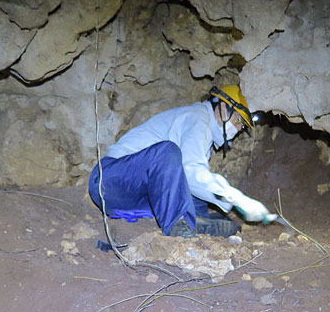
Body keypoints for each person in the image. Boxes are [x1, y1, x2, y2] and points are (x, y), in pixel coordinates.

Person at [89, 85, 275, 238]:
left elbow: (188, 180)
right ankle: (180, 226)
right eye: (238, 120)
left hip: (131, 195)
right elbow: (192, 171)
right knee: (168, 152)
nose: (239, 128)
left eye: (242, 125)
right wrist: (239, 199)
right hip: (108, 180)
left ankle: (197, 219)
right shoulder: (198, 118)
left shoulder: (204, 133)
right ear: (224, 107)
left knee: (187, 186)